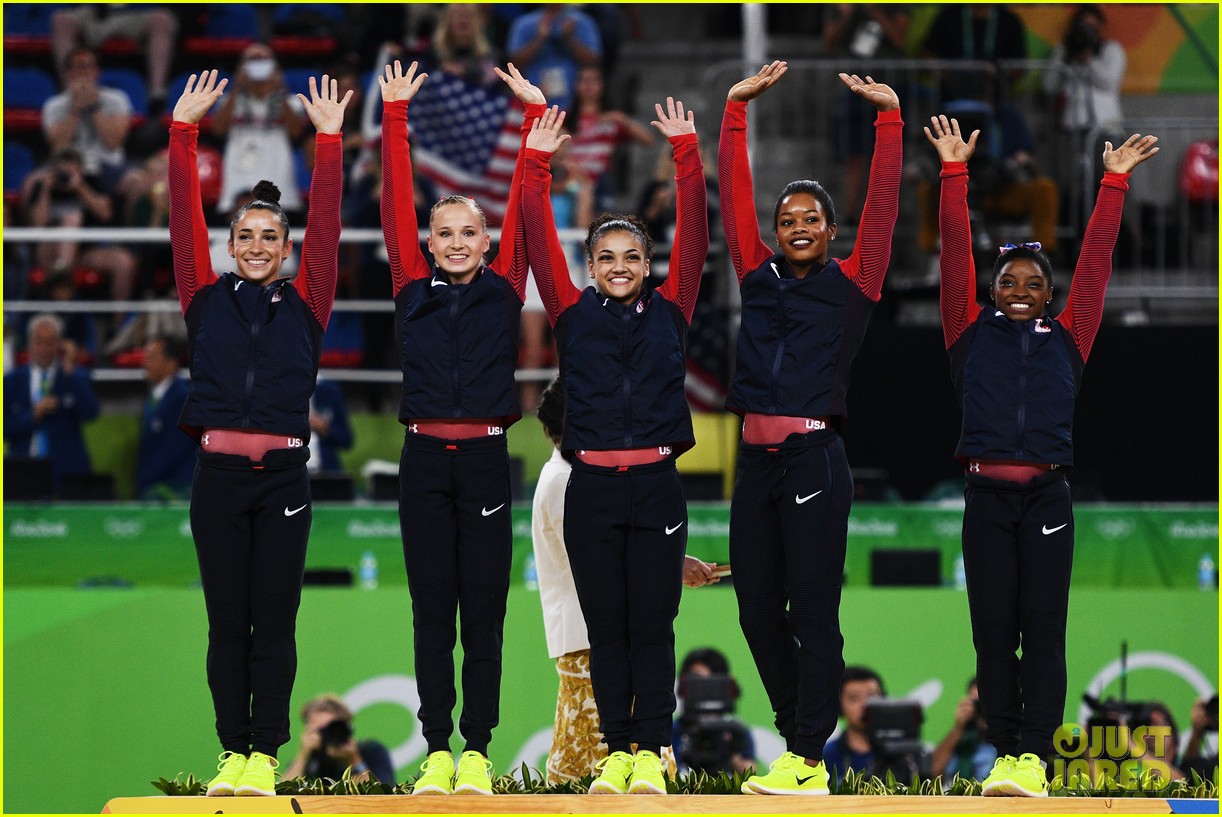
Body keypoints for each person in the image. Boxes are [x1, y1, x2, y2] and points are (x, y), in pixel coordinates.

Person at [925, 113, 1158, 797]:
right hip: (986, 500)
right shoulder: (966, 330)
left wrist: (1113, 184)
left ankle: (1036, 758)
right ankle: (1006, 754)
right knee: (994, 636)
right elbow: (955, 251)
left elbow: (1096, 263)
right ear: (991, 290)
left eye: (1033, 284)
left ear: (1050, 296)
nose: (1020, 291)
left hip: (1048, 498)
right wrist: (953, 172)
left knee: (1045, 632)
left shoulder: (1072, 335)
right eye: (1009, 282)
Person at [717, 62, 902, 797]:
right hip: (755, 466)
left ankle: (804, 754)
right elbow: (734, 200)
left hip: (814, 459)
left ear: (831, 230)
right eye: (787, 220)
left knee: (814, 611)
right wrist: (734, 112)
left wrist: (889, 120)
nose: (797, 227)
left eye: (811, 219)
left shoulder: (855, 283)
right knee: (756, 609)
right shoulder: (755, 275)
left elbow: (883, 207)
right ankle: (800, 736)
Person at [168, 68, 351, 797]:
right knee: (226, 624)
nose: (255, 246)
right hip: (216, 480)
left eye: (269, 237)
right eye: (244, 236)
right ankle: (231, 752)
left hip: (282, 480)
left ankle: (265, 756)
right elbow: (182, 220)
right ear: (229, 243)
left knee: (273, 623)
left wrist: (329, 142)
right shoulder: (202, 298)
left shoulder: (309, 301)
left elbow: (329, 227)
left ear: (286, 246)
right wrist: (182, 134)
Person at [522, 91, 708, 796]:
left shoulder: (674, 308)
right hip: (592, 490)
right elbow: (538, 238)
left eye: (632, 256)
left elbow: (696, 238)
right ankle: (618, 753)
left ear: (649, 262)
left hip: (656, 486)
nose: (620, 265)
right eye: (606, 257)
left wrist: (686, 155)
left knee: (652, 625)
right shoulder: (570, 313)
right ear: (591, 264)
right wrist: (536, 164)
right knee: (606, 627)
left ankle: (652, 749)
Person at [377, 59, 543, 797]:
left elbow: (526, 210)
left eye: (466, 232)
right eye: (442, 232)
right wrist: (395, 118)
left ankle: (477, 746)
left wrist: (533, 124)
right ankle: (437, 747)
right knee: (430, 611)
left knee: (484, 609)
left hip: (483, 465)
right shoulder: (409, 286)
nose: (453, 241)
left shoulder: (506, 287)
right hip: (422, 464)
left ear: (484, 241)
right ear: (429, 239)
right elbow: (393, 204)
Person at [532, 376, 704, 783]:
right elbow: (600, 560)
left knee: (607, 769)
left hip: (597, 640)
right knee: (593, 772)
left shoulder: (571, 476)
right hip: (590, 642)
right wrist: (671, 563)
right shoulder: (565, 481)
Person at [3, 313, 100, 491]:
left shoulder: (75, 376)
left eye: (50, 342)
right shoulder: (12, 381)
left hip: (67, 474)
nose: (44, 348)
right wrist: (32, 415)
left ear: (59, 344)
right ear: (29, 343)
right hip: (22, 473)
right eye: (39, 341)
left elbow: (91, 413)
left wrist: (70, 373)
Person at [213, 43, 306, 220]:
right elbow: (218, 129)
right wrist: (237, 85)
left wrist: (279, 87)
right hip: (238, 175)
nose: (257, 65)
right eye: (252, 60)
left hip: (278, 176)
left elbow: (296, 132)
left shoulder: (290, 101)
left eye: (263, 60)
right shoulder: (229, 101)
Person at [41, 46, 134, 195]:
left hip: (108, 165)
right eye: (78, 67)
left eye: (88, 66)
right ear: (67, 73)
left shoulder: (117, 99)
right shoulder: (53, 105)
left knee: (135, 182)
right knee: (33, 182)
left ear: (98, 71)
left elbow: (113, 143)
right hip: (68, 164)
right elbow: (58, 146)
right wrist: (74, 109)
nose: (84, 72)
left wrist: (94, 107)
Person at [51, 4, 178, 112]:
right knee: (61, 19)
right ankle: (70, 90)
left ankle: (157, 94)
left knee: (162, 19)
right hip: (96, 14)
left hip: (136, 11)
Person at [568, 64, 654, 211]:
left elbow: (648, 140)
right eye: (584, 80)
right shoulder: (566, 117)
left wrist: (622, 119)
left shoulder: (612, 120)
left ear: (602, 85)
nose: (589, 85)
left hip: (600, 182)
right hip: (570, 181)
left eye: (594, 80)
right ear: (576, 85)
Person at [673, 648, 758, 776]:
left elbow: (750, 772)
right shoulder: (673, 730)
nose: (706, 689)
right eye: (697, 680)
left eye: (712, 681)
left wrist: (730, 749)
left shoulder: (734, 730)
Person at [281, 694, 395, 786]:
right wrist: (303, 754)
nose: (328, 735)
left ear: (346, 728)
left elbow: (382, 797)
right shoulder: (308, 761)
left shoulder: (370, 751)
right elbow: (283, 797)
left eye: (333, 728)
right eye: (321, 730)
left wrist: (354, 760)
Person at [505, 5, 601, 113]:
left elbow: (593, 61)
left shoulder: (581, 21)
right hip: (534, 100)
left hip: (575, 105)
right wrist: (539, 38)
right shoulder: (524, 23)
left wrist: (570, 38)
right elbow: (514, 63)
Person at [135, 336, 195, 501]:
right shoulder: (153, 395)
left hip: (176, 489)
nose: (145, 363)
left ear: (171, 363)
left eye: (152, 358)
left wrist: (146, 479)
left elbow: (175, 448)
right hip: (154, 485)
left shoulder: (182, 397)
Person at [821, 666, 884, 783]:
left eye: (872, 696)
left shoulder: (904, 754)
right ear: (839, 705)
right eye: (854, 698)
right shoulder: (826, 756)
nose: (865, 705)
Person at [930, 677, 997, 781]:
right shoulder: (962, 737)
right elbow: (934, 772)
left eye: (988, 702)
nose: (983, 708)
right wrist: (959, 726)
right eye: (978, 703)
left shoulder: (1015, 735)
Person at [307, 378, 353, 474]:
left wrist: (325, 428)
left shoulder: (329, 390)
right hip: (293, 470)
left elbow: (346, 439)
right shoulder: (282, 388)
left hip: (326, 471)